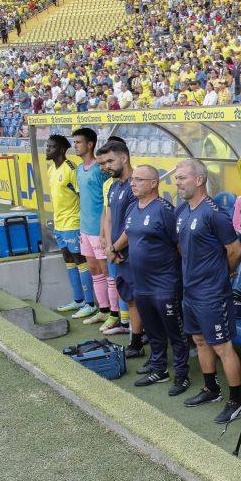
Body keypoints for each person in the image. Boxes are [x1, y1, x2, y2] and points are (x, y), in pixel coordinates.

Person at [174, 159, 241, 424]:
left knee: (222, 346)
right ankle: (211, 389)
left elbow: (235, 249)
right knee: (200, 341)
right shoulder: (182, 211)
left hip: (212, 293)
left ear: (199, 180)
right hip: (190, 291)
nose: (177, 182)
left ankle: (235, 401)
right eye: (177, 178)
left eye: (182, 178)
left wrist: (222, 273)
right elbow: (182, 246)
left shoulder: (214, 213)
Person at [118, 165, 190, 396]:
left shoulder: (165, 211)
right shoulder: (132, 208)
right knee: (154, 331)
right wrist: (113, 248)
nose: (133, 183)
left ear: (153, 183)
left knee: (175, 334)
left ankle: (182, 375)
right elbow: (128, 234)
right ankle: (159, 368)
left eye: (139, 180)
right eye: (133, 180)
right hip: (142, 284)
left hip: (165, 284)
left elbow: (180, 246)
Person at [98, 139, 145, 358]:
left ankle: (144, 343)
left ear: (124, 158)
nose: (106, 166)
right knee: (131, 299)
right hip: (117, 254)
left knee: (143, 300)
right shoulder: (114, 186)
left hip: (134, 254)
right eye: (103, 162)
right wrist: (109, 246)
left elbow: (134, 224)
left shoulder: (137, 184)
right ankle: (137, 341)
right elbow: (108, 218)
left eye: (110, 161)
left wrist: (114, 248)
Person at [72, 127, 120, 332]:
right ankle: (103, 309)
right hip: (85, 228)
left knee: (106, 270)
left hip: (99, 229)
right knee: (93, 269)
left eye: (78, 142)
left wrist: (104, 231)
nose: (74, 146)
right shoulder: (77, 169)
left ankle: (115, 313)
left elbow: (108, 200)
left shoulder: (100, 169)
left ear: (90, 144)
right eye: (73, 142)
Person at [47, 134, 97, 320]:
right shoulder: (51, 169)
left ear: (61, 150)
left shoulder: (71, 169)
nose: (47, 150)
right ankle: (77, 299)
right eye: (47, 147)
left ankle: (90, 303)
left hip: (73, 222)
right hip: (59, 223)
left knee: (79, 259)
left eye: (51, 147)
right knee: (68, 258)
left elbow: (81, 195)